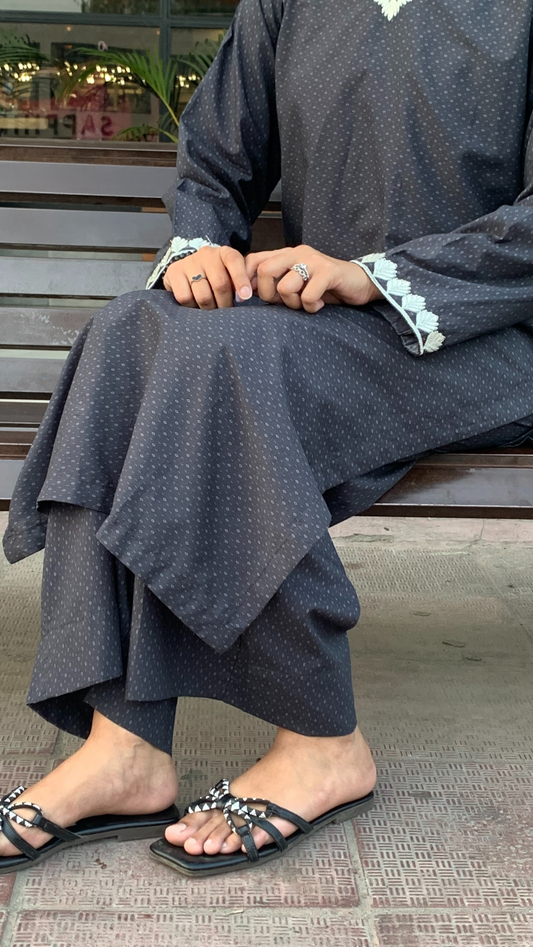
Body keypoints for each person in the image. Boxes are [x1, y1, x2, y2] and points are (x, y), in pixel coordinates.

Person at [2, 0, 533, 878]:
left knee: (228, 368)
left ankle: (322, 739)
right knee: (127, 333)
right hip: (315, 327)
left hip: (484, 337)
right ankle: (123, 743)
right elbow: (218, 159)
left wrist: (372, 276)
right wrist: (201, 248)